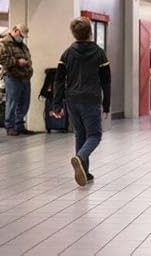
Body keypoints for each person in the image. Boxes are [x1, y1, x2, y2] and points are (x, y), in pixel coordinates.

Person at [51, 17, 111, 186]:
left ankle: (84, 172)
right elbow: (106, 81)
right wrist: (106, 104)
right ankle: (80, 157)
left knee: (81, 135)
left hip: (72, 99)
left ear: (73, 33)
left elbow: (58, 80)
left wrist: (56, 104)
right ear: (90, 33)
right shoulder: (99, 53)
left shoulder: (67, 53)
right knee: (94, 135)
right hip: (91, 100)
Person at [0, 24, 35, 136]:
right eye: (21, 35)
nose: (22, 37)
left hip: (25, 77)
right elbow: (0, 59)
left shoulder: (22, 45)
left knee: (24, 103)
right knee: (12, 103)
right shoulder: (4, 43)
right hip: (12, 77)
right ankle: (10, 126)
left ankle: (19, 125)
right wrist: (17, 62)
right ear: (16, 31)